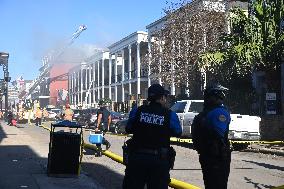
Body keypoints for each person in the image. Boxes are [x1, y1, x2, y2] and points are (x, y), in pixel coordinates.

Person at [122, 84, 182, 189]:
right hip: (159, 161)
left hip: (137, 159)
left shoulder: (138, 111)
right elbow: (178, 132)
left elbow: (128, 128)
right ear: (162, 97)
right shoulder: (169, 114)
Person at [192, 84, 231, 189]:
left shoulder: (201, 115)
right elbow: (220, 134)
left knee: (209, 184)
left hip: (206, 156)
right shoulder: (218, 112)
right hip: (218, 157)